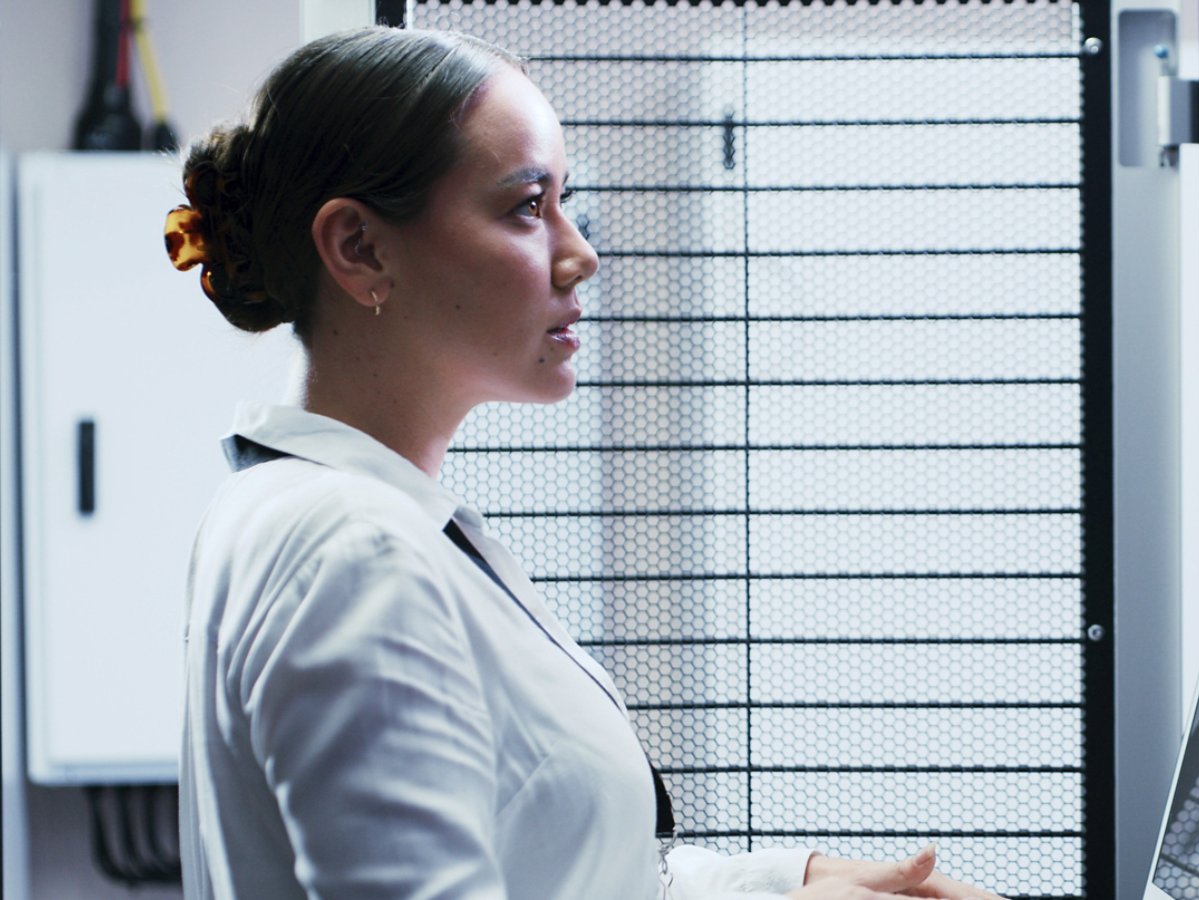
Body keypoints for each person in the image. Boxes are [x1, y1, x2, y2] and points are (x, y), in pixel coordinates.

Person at [166, 27, 1004, 900]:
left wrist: (802, 880)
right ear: (360, 249)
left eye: (566, 202)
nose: (581, 253)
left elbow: (572, 869)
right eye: (527, 206)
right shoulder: (350, 546)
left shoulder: (350, 517)